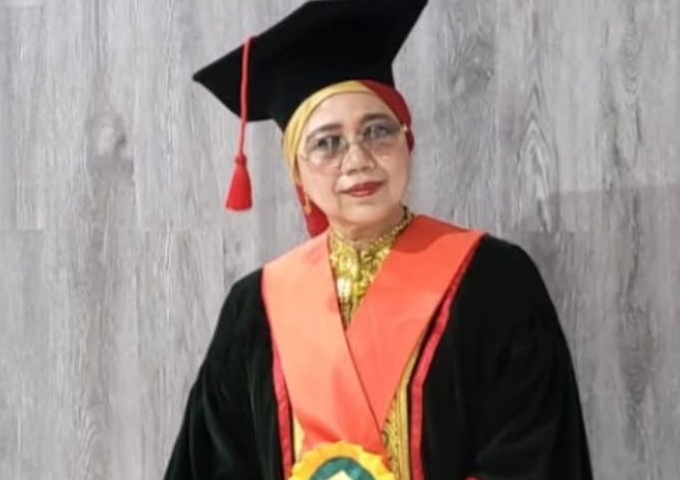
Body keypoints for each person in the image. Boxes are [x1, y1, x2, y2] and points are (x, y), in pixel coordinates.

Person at [162, 0, 595, 479]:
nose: (358, 160)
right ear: (298, 171)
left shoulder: (495, 280)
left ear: (407, 141)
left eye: (377, 131)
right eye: (327, 142)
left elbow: (534, 459)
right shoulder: (255, 307)